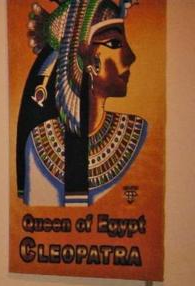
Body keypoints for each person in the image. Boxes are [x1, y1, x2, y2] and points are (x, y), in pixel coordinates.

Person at [18, 0, 146, 206]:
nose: (131, 56)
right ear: (83, 59)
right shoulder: (38, 143)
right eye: (114, 43)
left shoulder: (140, 131)